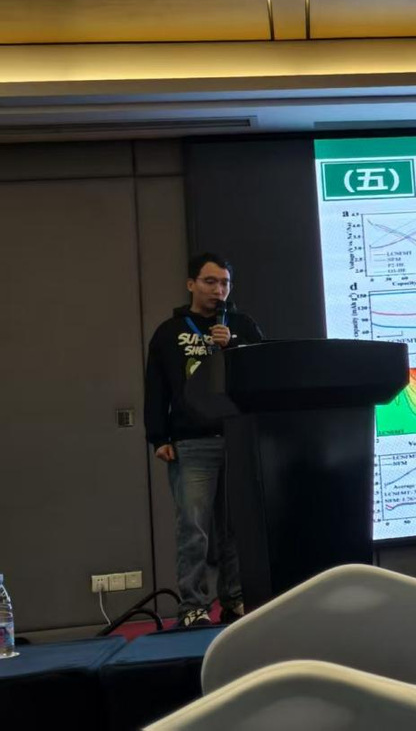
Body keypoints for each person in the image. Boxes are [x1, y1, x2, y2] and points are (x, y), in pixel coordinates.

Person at [145, 253, 264, 627]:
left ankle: (235, 599)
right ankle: (193, 606)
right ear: (191, 284)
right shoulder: (169, 332)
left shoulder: (241, 326)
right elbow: (156, 388)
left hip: (238, 439)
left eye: (225, 283)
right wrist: (158, 437)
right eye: (210, 282)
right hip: (191, 441)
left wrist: (234, 345)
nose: (218, 290)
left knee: (235, 530)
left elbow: (267, 371)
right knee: (194, 530)